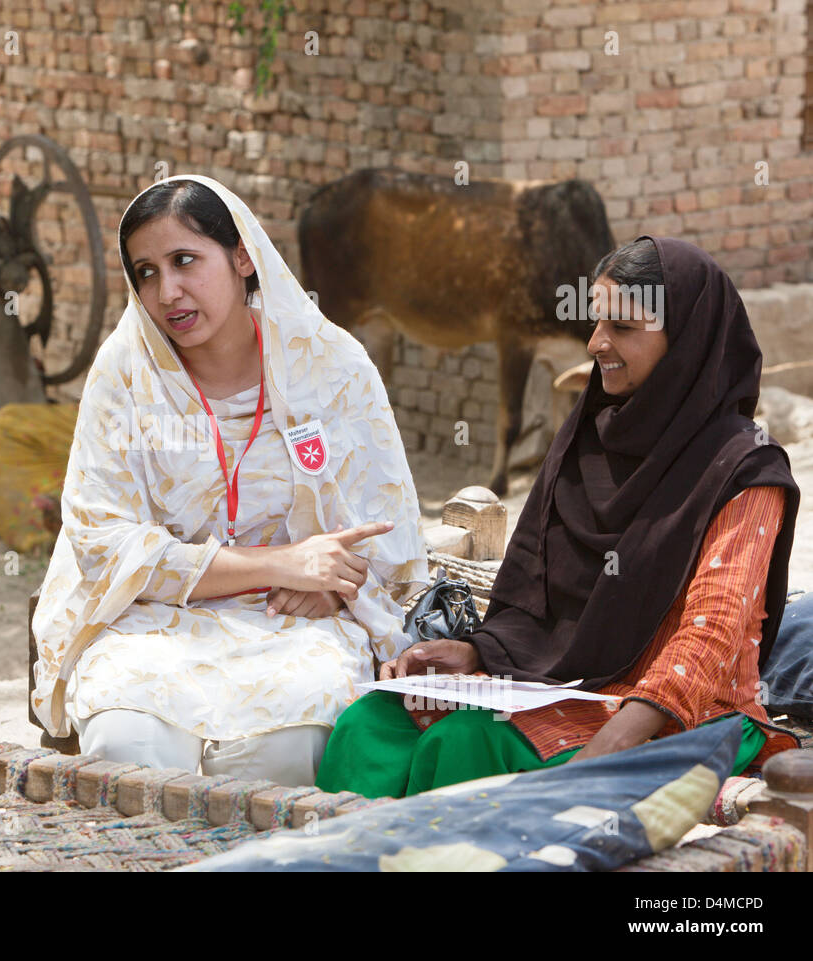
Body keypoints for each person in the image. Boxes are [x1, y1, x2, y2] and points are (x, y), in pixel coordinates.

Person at [316, 237, 802, 798]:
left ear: (687, 339)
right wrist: (477, 650)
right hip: (554, 688)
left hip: (680, 713)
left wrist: (608, 751)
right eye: (597, 323)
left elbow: (712, 635)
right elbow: (535, 596)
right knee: (370, 726)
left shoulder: (744, 469)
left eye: (623, 327)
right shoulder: (587, 438)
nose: (596, 343)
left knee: (467, 743)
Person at [31, 175, 428, 787]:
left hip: (297, 624)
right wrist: (281, 563)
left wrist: (336, 586)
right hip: (150, 620)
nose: (168, 291)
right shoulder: (125, 374)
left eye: (185, 260)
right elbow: (104, 545)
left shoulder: (330, 367)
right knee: (126, 743)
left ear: (243, 256)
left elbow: (386, 535)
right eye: (146, 272)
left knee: (280, 752)